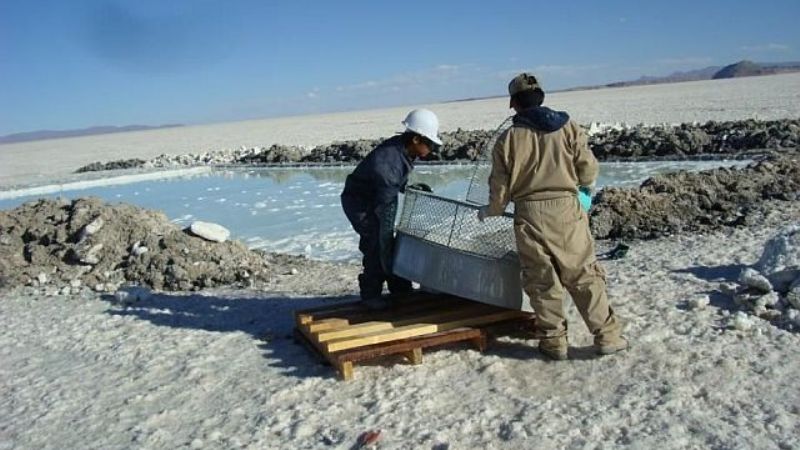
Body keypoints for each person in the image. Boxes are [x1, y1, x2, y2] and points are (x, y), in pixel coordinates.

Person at [477, 73, 628, 360]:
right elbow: (588, 171)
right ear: (541, 97)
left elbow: (499, 192)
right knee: (584, 275)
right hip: (567, 211)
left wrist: (490, 211)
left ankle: (554, 343)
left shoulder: (507, 139)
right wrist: (582, 193)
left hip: (529, 214)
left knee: (542, 281)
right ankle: (607, 337)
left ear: (514, 104)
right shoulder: (568, 127)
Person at [341, 108, 441, 308]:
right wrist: (385, 234)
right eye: (429, 143)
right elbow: (386, 201)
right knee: (376, 243)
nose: (431, 149)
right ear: (415, 139)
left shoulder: (402, 151)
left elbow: (389, 183)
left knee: (387, 244)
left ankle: (400, 288)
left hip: (373, 197)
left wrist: (405, 187)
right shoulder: (390, 160)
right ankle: (371, 295)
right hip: (360, 203)